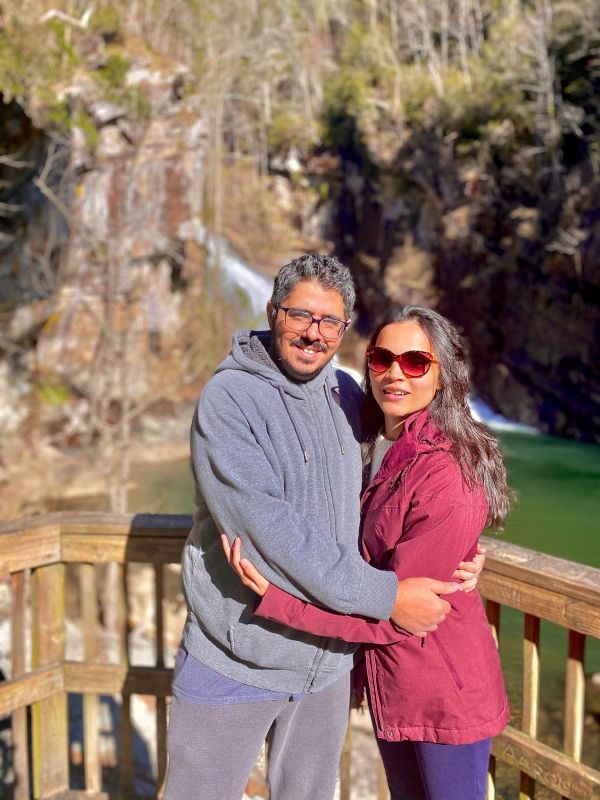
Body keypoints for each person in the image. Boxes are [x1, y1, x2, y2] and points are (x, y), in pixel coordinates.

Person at [164, 255, 484, 800]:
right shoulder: (230, 400)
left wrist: (463, 543)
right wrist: (385, 595)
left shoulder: (344, 394)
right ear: (272, 312)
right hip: (239, 651)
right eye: (300, 316)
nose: (313, 334)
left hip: (327, 663)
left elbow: (399, 482)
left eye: (329, 322)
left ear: (343, 329)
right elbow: (271, 532)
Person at [223, 305, 511, 800]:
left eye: (416, 362)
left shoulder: (447, 470)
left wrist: (280, 600)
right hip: (395, 683)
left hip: (442, 691)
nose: (395, 373)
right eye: (382, 359)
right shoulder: (377, 440)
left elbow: (399, 612)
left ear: (443, 375)